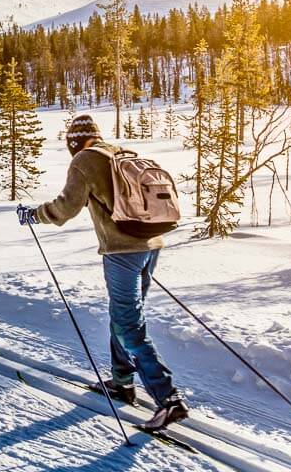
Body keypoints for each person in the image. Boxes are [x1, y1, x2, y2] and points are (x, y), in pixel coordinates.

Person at [16, 114, 188, 432]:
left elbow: (65, 208)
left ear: (73, 142)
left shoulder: (85, 160)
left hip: (123, 252)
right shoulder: (121, 153)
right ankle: (122, 382)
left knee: (127, 324)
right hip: (150, 247)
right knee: (123, 317)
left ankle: (168, 400)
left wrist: (33, 215)